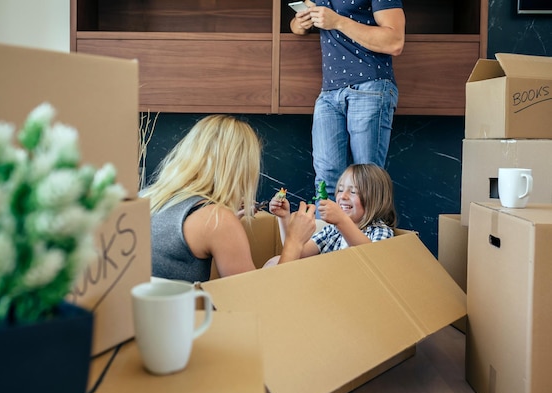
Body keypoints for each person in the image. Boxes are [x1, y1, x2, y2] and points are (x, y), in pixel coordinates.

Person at [139, 115, 317, 283]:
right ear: (241, 169)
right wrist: (294, 241)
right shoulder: (217, 220)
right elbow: (258, 300)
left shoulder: (145, 197)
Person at [290, 0, 405, 201]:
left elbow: (394, 41)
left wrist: (337, 22)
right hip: (329, 93)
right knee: (325, 181)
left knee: (366, 180)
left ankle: (368, 234)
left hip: (370, 86)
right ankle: (325, 233)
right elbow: (296, 27)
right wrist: (300, 23)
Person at [268, 163, 396, 262]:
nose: (343, 196)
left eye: (353, 192)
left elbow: (374, 261)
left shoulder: (381, 231)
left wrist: (342, 221)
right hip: (325, 284)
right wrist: (284, 217)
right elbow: (296, 251)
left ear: (375, 200)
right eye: (340, 190)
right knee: (275, 262)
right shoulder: (332, 230)